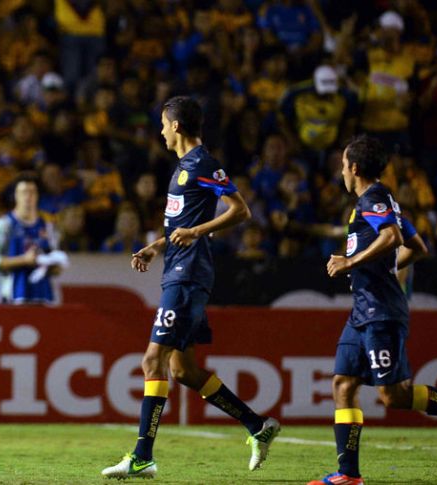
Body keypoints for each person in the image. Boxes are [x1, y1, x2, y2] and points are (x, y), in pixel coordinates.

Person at [101, 96, 281, 479]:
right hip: (179, 271)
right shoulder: (183, 168)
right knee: (182, 370)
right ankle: (256, 425)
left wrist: (197, 232)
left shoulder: (202, 164)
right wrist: (156, 246)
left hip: (189, 276)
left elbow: (240, 209)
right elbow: (180, 228)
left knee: (153, 361)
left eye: (164, 124)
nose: (161, 131)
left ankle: (141, 456)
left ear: (177, 125)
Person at [309, 135, 437, 485]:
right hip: (363, 310)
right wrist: (386, 267)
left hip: (380, 312)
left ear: (354, 168)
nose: (341, 171)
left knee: (394, 396)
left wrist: (349, 262)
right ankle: (348, 475)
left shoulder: (374, 198)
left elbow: (392, 238)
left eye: (343, 165)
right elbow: (416, 246)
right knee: (343, 383)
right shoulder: (377, 201)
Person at [0, 174, 66, 305]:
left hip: (45, 300)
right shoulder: (3, 225)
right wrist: (24, 260)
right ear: (16, 195)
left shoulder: (48, 227)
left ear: (38, 195)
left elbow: (57, 264)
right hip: (12, 300)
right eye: (23, 192)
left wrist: (53, 265)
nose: (28, 197)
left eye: (32, 192)